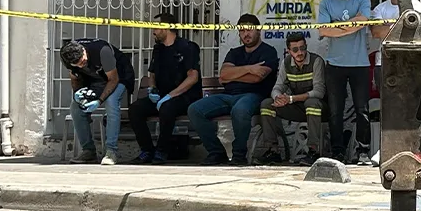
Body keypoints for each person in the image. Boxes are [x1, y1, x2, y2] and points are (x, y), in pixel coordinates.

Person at [188, 14, 278, 165]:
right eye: (242, 31)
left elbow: (258, 78)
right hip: (228, 95)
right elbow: (223, 75)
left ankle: (239, 155)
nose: (246, 34)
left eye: (249, 30)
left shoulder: (268, 51)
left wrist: (233, 75)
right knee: (195, 109)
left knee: (240, 110)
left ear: (258, 30)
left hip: (254, 95)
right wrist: (249, 69)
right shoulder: (234, 52)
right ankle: (216, 152)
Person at [317, 0, 373, 164]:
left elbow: (364, 21)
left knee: (362, 110)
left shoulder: (363, 0)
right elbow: (323, 31)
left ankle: (363, 151)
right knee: (335, 111)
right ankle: (337, 151)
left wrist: (337, 27)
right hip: (334, 64)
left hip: (360, 64)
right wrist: (352, 25)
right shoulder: (326, 3)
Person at [128, 13, 203, 164]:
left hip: (184, 96)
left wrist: (170, 96)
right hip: (161, 95)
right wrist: (152, 89)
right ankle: (147, 150)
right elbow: (152, 73)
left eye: (155, 27)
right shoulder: (158, 49)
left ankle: (162, 151)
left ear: (167, 28)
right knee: (135, 109)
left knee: (167, 108)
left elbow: (192, 77)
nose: (153, 31)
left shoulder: (187, 47)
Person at [369, 0, 421, 164]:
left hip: (410, 64)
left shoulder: (416, 5)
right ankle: (384, 151)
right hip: (384, 63)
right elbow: (377, 32)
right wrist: (403, 25)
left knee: (409, 108)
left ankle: (409, 150)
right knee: (388, 108)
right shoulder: (380, 8)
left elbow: (418, 30)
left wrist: (390, 25)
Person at [59, 38, 136, 165]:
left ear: (83, 51)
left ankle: (111, 151)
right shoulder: (67, 56)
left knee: (111, 102)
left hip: (119, 76)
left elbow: (113, 79)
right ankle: (88, 151)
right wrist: (79, 95)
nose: (81, 66)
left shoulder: (102, 51)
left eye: (83, 62)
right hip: (94, 80)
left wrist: (99, 101)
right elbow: (75, 78)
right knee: (76, 108)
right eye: (77, 65)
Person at [258, 32, 326, 166]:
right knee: (267, 104)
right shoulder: (286, 63)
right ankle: (272, 151)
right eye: (295, 50)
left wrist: (291, 98)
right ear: (289, 51)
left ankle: (313, 151)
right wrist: (278, 98)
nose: (300, 52)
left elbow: (319, 92)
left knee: (312, 103)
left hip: (319, 108)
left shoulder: (316, 61)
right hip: (297, 107)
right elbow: (277, 87)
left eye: (303, 48)